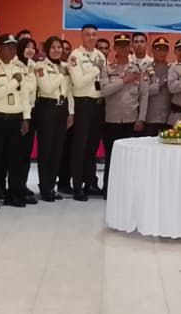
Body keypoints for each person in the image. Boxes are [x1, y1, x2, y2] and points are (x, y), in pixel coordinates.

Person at [0, 34, 31, 208]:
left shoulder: (18, 67)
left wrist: (26, 117)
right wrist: (14, 82)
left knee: (16, 159)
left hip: (16, 118)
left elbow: (25, 94)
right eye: (8, 46)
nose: (12, 50)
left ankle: (14, 194)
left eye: (14, 47)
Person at [101, 33, 147, 194]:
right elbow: (104, 91)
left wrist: (141, 118)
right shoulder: (107, 68)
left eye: (126, 45)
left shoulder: (138, 69)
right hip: (111, 120)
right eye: (119, 45)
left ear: (130, 47)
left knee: (131, 158)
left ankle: (128, 190)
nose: (123, 48)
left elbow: (144, 95)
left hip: (131, 120)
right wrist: (125, 80)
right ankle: (109, 189)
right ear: (115, 48)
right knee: (111, 157)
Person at [67, 25, 107, 201]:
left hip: (98, 104)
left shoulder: (100, 55)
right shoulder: (75, 56)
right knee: (80, 146)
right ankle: (77, 186)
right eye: (87, 35)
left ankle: (90, 182)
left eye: (94, 34)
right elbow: (78, 82)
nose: (91, 37)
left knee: (92, 147)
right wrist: (95, 69)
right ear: (81, 37)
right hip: (83, 104)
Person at [32, 36, 73, 202]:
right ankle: (44, 187)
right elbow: (47, 87)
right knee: (46, 149)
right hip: (46, 108)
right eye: (53, 47)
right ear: (47, 49)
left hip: (62, 108)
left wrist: (71, 113)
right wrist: (61, 75)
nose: (57, 50)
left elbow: (69, 91)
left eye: (59, 47)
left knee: (57, 150)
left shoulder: (65, 66)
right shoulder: (40, 66)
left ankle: (51, 186)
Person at [12, 37, 40, 205]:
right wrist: (24, 117)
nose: (30, 50)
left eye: (33, 47)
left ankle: (22, 186)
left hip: (32, 112)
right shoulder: (14, 65)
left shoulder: (33, 66)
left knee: (26, 155)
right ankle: (14, 189)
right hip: (20, 113)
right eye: (27, 47)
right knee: (17, 153)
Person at [141, 37, 173, 135]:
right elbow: (143, 91)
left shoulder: (172, 69)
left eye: (164, 49)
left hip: (169, 117)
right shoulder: (146, 68)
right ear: (153, 50)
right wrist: (161, 84)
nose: (162, 53)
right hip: (151, 117)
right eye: (158, 49)